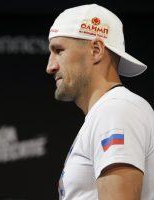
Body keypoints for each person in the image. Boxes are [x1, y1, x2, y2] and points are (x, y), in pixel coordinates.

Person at [46, 4, 154, 200]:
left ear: (96, 50)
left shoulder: (116, 110)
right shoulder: (106, 112)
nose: (50, 66)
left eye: (59, 50)